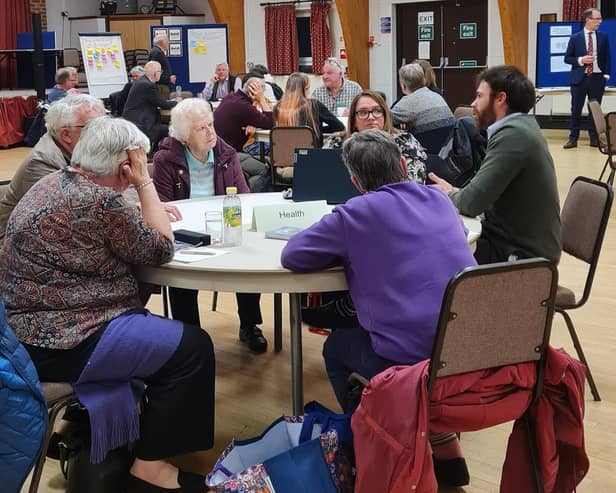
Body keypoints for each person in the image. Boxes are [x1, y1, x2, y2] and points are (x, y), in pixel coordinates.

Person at [0, 116, 215, 492]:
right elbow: (161, 248)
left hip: (22, 333)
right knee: (193, 349)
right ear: (125, 166)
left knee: (170, 341)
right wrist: (145, 185)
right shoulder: (100, 202)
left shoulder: (50, 183)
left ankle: (128, 439)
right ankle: (152, 471)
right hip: (68, 340)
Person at [281, 129, 476, 487]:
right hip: (468, 352)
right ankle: (440, 441)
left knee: (336, 347)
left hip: (410, 361)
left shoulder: (355, 212)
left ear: (355, 182)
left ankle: (380, 442)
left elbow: (292, 255)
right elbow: (456, 239)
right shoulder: (439, 198)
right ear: (403, 165)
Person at [153, 98, 269, 353]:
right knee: (180, 272)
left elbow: (243, 197)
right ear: (184, 137)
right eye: (201, 128)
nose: (210, 132)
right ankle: (189, 334)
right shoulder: (166, 160)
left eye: (210, 125)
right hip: (185, 233)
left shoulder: (226, 153)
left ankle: (250, 325)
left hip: (225, 226)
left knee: (248, 261)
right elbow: (161, 206)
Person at [429, 65, 561, 265]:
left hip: (524, 259)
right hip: (515, 242)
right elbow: (478, 194)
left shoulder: (514, 135)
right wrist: (456, 192)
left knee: (433, 252)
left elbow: (471, 204)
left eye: (479, 96)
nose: (473, 104)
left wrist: (447, 194)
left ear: (500, 99)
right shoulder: (521, 127)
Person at [0, 94, 105, 243]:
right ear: (66, 134)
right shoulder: (42, 161)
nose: (102, 133)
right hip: (15, 242)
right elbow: (74, 214)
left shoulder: (80, 150)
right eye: (93, 127)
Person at [326, 90, 427, 184]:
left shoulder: (405, 142)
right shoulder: (337, 142)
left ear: (384, 115)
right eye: (363, 113)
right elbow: (322, 176)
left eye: (377, 111)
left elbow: (415, 184)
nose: (371, 117)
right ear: (354, 120)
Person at [213, 77, 273, 191]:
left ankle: (245, 188)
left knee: (249, 171)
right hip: (229, 155)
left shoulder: (230, 98)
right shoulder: (244, 106)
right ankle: (251, 197)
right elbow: (271, 122)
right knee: (266, 170)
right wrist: (261, 100)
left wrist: (253, 122)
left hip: (218, 151)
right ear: (254, 93)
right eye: (261, 93)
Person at [563, 7, 611, 149]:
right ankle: (573, 138)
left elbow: (607, 57)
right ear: (588, 20)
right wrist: (580, 60)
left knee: (594, 111)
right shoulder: (575, 38)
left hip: (597, 78)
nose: (600, 21)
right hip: (579, 78)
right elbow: (567, 58)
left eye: (600, 19)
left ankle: (594, 139)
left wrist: (606, 74)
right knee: (576, 109)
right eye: (597, 19)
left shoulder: (603, 36)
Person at [391, 63, 455, 154]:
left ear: (403, 86)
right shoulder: (436, 95)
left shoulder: (408, 102)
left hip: (425, 154)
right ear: (423, 80)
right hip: (447, 151)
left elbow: (384, 118)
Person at [274, 72, 344, 147]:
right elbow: (339, 126)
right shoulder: (314, 105)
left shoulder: (278, 107)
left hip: (284, 155)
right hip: (311, 156)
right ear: (306, 88)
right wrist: (317, 129)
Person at [122, 60, 178, 151]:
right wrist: (177, 102)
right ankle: (161, 153)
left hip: (135, 122)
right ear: (156, 74)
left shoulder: (142, 82)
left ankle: (155, 151)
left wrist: (169, 102)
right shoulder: (147, 85)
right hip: (142, 125)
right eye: (160, 72)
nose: (161, 74)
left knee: (165, 127)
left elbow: (157, 101)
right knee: (172, 130)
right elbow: (163, 104)